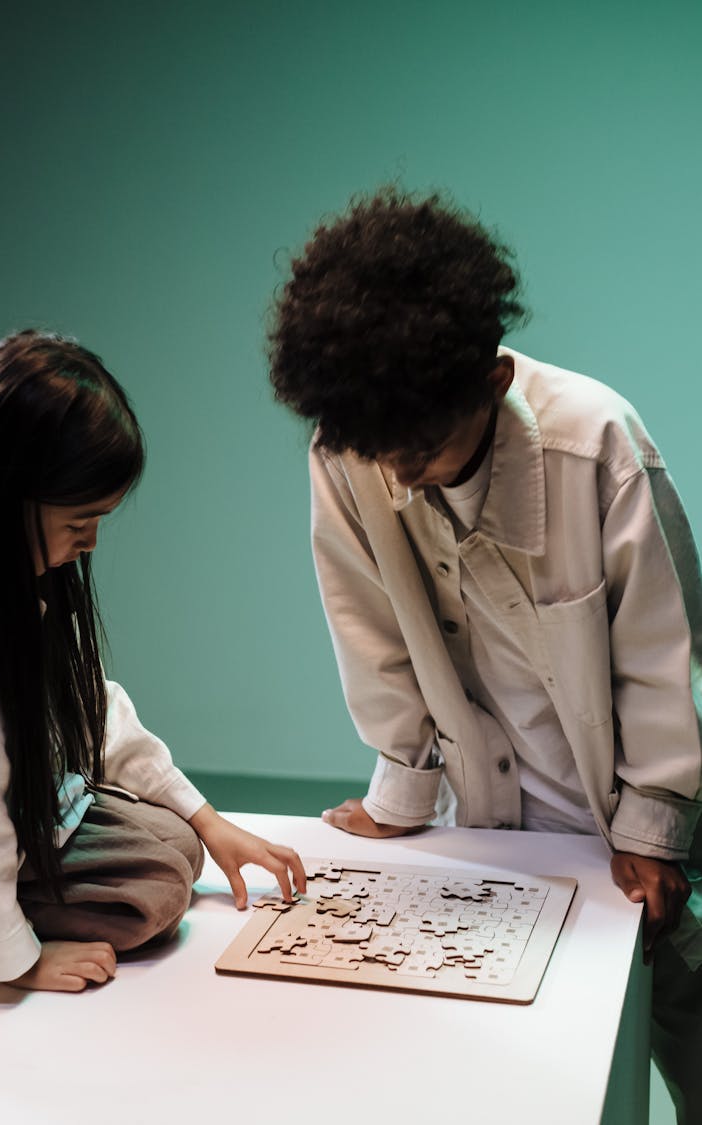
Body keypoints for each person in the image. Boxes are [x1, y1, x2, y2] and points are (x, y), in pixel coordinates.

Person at [268, 188, 702, 1122]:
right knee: (528, 1062)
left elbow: (666, 650)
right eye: (374, 451)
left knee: (685, 1022)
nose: (393, 474)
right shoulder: (352, 450)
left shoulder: (598, 444)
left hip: (623, 814)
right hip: (491, 819)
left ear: (493, 383)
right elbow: (369, 629)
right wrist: (400, 796)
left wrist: (654, 825)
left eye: (419, 449)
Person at [0, 329, 305, 1022]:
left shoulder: (15, 565)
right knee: (154, 887)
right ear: (10, 493)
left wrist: (206, 818)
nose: (91, 542)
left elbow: (91, 704)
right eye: (81, 520)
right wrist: (15, 959)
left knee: (176, 847)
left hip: (6, 809)